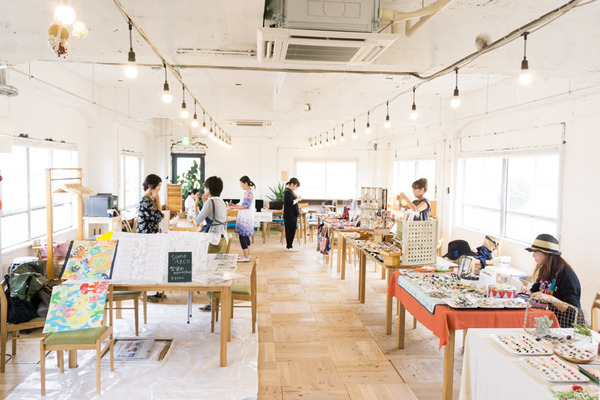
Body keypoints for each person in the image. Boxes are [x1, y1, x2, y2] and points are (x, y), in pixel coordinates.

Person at [523, 233, 582, 327]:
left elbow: (573, 311)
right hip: (545, 320)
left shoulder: (567, 276)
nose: (533, 255)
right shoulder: (545, 269)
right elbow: (535, 290)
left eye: (535, 251)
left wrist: (550, 298)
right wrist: (528, 293)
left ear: (546, 254)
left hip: (563, 327)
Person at [137, 174, 165, 302]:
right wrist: (158, 200)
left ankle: (153, 292)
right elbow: (159, 216)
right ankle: (148, 294)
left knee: (152, 263)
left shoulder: (150, 199)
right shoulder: (146, 201)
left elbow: (160, 215)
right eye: (158, 186)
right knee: (147, 264)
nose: (159, 188)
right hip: (146, 237)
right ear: (150, 186)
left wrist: (157, 200)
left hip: (150, 236)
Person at [193, 176, 228, 254]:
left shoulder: (209, 202)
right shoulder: (221, 201)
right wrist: (205, 203)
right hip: (223, 238)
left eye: (205, 188)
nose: (204, 190)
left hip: (214, 240)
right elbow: (213, 215)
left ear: (208, 189)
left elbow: (197, 221)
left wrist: (196, 204)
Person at [228, 176, 255, 262]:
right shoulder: (247, 193)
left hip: (245, 219)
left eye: (241, 184)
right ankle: (247, 255)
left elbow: (245, 206)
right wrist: (234, 205)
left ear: (246, 183)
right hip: (246, 218)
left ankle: (246, 257)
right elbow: (242, 204)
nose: (241, 186)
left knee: (242, 237)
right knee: (245, 236)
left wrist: (234, 207)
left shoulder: (248, 193)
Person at [283, 178, 302, 251]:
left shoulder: (290, 192)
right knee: (290, 231)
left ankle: (290, 246)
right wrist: (298, 199)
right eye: (296, 187)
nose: (295, 188)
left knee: (292, 230)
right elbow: (291, 203)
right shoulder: (288, 192)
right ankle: (289, 246)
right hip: (289, 215)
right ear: (292, 185)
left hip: (292, 215)